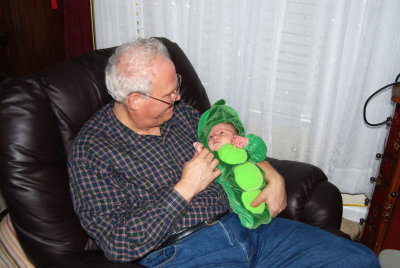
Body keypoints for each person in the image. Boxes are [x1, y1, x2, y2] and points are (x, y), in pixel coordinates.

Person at [68, 37, 379, 267]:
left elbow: (235, 148)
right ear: (135, 100)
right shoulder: (93, 151)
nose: (178, 97)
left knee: (359, 260)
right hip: (184, 252)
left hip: (247, 226)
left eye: (176, 84)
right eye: (169, 94)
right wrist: (185, 188)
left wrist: (273, 177)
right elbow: (118, 243)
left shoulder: (184, 117)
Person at [195, 99, 272, 229]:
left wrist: (248, 142)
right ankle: (250, 221)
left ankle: (263, 216)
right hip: (234, 198)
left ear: (236, 136)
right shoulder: (214, 157)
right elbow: (203, 173)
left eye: (221, 133)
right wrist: (200, 152)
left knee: (262, 205)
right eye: (210, 137)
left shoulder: (243, 146)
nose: (215, 137)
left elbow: (261, 153)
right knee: (241, 204)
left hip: (259, 188)